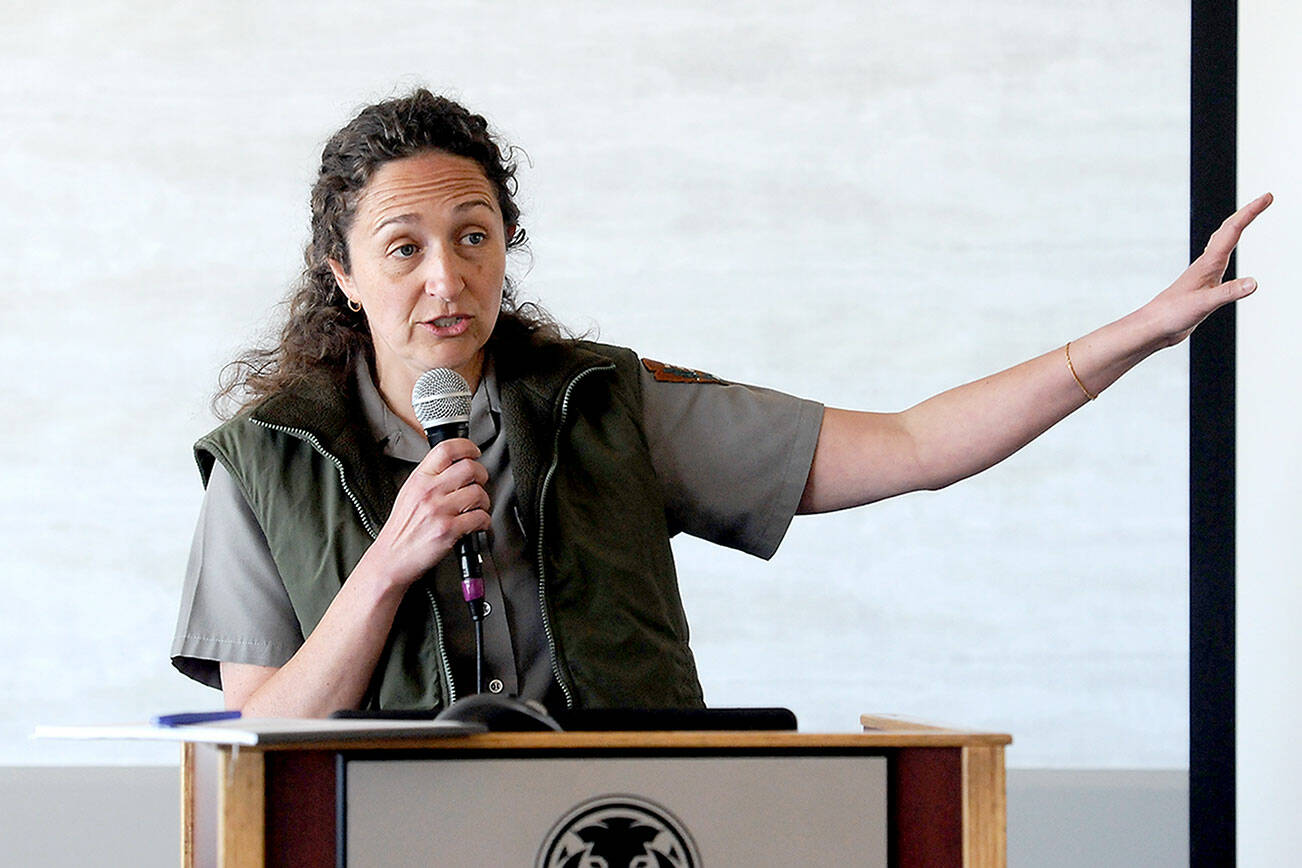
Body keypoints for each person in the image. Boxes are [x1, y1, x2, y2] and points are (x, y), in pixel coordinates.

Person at [171, 88, 1272, 718]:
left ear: (508, 246)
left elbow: (916, 444)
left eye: (474, 236)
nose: (446, 278)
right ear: (341, 271)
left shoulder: (609, 404)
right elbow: (259, 731)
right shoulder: (266, 458)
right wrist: (388, 562)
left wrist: (1135, 335)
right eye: (402, 247)